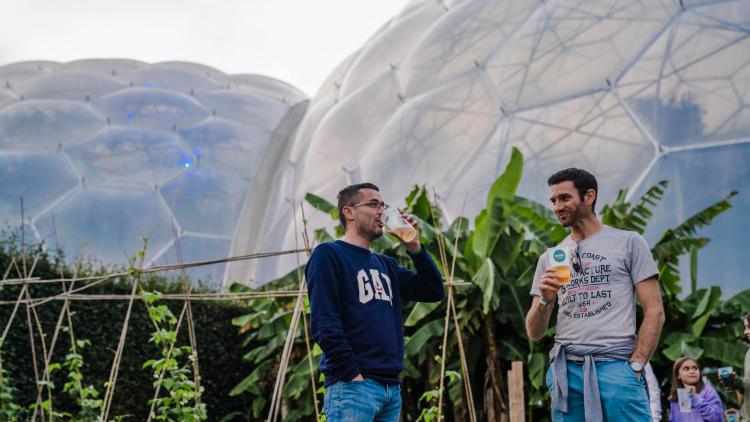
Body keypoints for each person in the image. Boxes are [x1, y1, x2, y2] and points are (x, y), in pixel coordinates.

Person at [525, 168, 665, 422]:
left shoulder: (629, 242)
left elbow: (655, 310)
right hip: (566, 371)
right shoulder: (550, 257)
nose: (557, 206)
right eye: (554, 200)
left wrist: (636, 365)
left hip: (616, 365)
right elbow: (534, 333)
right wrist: (545, 298)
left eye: (565, 198)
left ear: (589, 196)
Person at [306, 183, 444, 421]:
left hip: (390, 390)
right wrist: (352, 375)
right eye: (373, 204)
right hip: (353, 388)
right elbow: (324, 323)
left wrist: (414, 247)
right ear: (349, 212)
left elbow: (432, 290)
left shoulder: (386, 265)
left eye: (383, 205)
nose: (381, 211)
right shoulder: (328, 254)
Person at [668, 357, 724, 421]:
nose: (692, 371)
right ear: (678, 375)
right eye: (686, 369)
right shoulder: (676, 397)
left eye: (695, 368)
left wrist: (696, 397)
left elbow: (716, 418)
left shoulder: (709, 392)